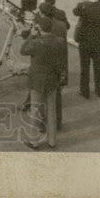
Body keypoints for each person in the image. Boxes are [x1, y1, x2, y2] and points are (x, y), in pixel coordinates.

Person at [20, 15, 67, 150]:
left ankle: (34, 140)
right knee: (51, 109)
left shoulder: (36, 43)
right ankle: (52, 140)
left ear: (39, 28)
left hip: (37, 80)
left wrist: (31, 36)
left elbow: (23, 50)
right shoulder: (59, 41)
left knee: (36, 109)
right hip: (52, 79)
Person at [73, 0, 100, 98]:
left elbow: (75, 11)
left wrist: (83, 0)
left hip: (85, 41)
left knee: (85, 67)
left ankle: (85, 91)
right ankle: (99, 91)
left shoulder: (82, 6)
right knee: (99, 68)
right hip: (99, 42)